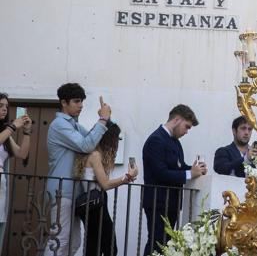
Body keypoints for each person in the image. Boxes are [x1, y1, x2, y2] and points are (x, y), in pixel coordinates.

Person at [47, 83, 111, 256]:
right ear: (64, 103)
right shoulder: (59, 124)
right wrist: (103, 120)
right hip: (62, 192)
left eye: (81, 101)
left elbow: (94, 139)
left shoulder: (73, 125)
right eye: (76, 101)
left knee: (73, 242)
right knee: (58, 242)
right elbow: (87, 145)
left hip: (73, 193)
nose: (81, 105)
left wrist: (105, 119)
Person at [142, 104, 207, 256]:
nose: (187, 131)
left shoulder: (175, 142)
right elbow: (161, 173)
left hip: (171, 202)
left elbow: (179, 167)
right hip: (157, 201)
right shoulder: (156, 140)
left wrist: (194, 168)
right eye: (187, 127)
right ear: (177, 119)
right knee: (157, 243)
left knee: (166, 243)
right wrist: (191, 173)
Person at [73, 122, 138, 256]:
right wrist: (126, 178)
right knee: (110, 246)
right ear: (109, 139)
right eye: (116, 139)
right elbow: (105, 184)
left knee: (93, 245)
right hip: (96, 205)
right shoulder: (95, 155)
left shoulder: (89, 153)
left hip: (89, 205)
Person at [0, 93, 31, 249]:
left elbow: (22, 154)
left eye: (6, 106)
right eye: (0, 106)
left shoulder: (5, 131)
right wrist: (12, 127)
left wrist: (26, 132)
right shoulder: (6, 131)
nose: (4, 109)